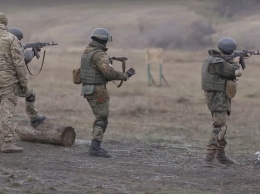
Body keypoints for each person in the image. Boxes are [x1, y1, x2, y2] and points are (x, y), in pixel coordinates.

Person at [80, 28, 135, 158]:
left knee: (100, 117)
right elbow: (109, 73)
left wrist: (111, 59)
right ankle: (95, 148)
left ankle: (95, 146)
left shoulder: (88, 52)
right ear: (103, 40)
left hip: (88, 88)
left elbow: (95, 66)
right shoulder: (99, 55)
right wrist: (125, 75)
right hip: (97, 90)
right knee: (102, 118)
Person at [201, 37, 249, 167]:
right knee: (219, 125)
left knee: (222, 125)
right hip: (217, 96)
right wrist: (236, 62)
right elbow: (236, 72)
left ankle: (220, 156)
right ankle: (209, 159)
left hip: (219, 95)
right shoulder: (217, 62)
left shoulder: (214, 59)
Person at [0, 13, 28, 153]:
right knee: (7, 111)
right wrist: (24, 83)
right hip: (7, 81)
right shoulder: (11, 39)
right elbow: (19, 63)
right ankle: (7, 143)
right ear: (5, 23)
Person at [9, 27, 46, 127]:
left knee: (30, 94)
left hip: (7, 82)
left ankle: (34, 118)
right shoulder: (13, 47)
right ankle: (34, 118)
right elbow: (24, 59)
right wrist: (34, 52)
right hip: (10, 83)